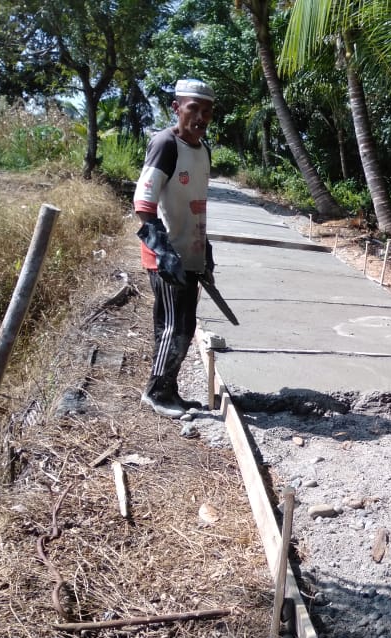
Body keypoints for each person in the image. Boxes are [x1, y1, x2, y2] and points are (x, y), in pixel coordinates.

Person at [133, 78, 215, 418]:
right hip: (166, 256)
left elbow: (195, 203)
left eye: (206, 111)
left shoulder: (203, 149)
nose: (200, 117)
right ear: (176, 108)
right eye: (193, 109)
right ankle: (157, 392)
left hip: (190, 253)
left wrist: (204, 249)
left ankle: (170, 388)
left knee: (184, 324)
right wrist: (162, 249)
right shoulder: (166, 143)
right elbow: (143, 202)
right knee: (175, 326)